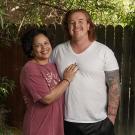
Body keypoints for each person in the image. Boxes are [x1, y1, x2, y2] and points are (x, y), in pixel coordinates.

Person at [51, 9, 121, 135]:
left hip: (99, 123)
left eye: (80, 21)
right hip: (66, 121)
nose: (76, 25)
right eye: (71, 22)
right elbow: (47, 79)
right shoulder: (58, 51)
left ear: (88, 25)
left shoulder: (104, 52)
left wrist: (111, 118)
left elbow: (114, 86)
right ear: (67, 27)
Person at [20, 28, 78, 135]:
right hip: (39, 126)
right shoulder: (30, 69)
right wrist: (67, 79)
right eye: (38, 45)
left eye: (46, 43)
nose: (44, 47)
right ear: (31, 49)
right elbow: (47, 98)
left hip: (55, 125)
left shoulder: (53, 65)